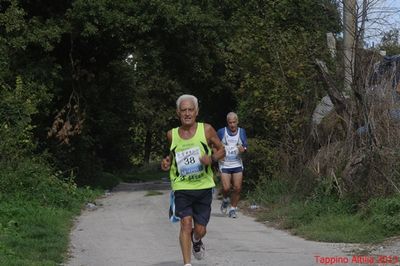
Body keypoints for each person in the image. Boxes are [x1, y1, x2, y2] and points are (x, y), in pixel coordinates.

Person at [161, 94, 225, 266]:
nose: (187, 113)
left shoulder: (207, 130)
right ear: (178, 113)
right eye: (184, 110)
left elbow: (221, 150)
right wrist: (166, 162)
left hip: (204, 187)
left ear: (196, 112)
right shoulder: (171, 134)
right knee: (185, 224)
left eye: (190, 110)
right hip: (182, 187)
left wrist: (211, 159)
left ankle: (196, 240)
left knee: (200, 230)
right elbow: (172, 155)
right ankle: (187, 264)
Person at [217, 112, 248, 218]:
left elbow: (245, 146)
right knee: (226, 188)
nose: (232, 125)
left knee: (237, 188)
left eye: (234, 122)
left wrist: (243, 149)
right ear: (227, 123)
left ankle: (233, 209)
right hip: (224, 164)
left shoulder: (241, 132)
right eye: (230, 122)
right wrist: (218, 155)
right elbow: (213, 145)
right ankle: (225, 199)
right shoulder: (221, 132)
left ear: (237, 122)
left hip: (237, 164)